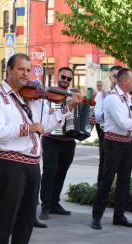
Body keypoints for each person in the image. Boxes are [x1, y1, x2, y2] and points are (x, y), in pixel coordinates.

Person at [0, 53, 84, 244]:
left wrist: (67, 107)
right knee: (6, 218)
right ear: (9, 70)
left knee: (27, 219)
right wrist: (27, 127)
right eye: (21, 70)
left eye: (29, 70)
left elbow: (46, 126)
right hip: (11, 163)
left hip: (32, 164)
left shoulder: (33, 99)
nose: (26, 75)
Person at [91, 68, 132, 230]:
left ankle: (119, 216)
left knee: (124, 181)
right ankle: (96, 216)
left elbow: (130, 117)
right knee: (107, 180)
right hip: (113, 143)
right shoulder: (113, 98)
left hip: (127, 143)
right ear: (123, 82)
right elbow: (123, 123)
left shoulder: (126, 97)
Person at [39, 67, 77, 220]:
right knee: (49, 173)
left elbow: (80, 114)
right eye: (63, 77)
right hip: (51, 140)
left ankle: (55, 203)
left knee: (61, 174)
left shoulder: (74, 95)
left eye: (69, 78)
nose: (65, 80)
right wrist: (48, 110)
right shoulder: (47, 95)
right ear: (58, 76)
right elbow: (42, 114)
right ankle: (45, 206)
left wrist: (89, 120)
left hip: (68, 141)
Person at [93, 65, 122, 186]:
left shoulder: (127, 95)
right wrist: (111, 113)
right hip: (106, 133)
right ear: (110, 77)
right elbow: (97, 115)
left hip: (123, 134)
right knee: (105, 164)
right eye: (114, 76)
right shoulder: (102, 94)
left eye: (119, 76)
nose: (116, 79)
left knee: (122, 166)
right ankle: (101, 193)